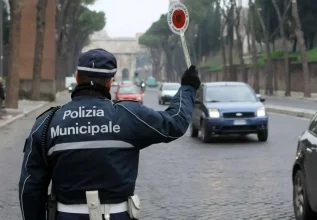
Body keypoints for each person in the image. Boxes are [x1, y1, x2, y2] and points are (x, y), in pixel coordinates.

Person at [18, 48, 200, 220]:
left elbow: (30, 186)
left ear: (76, 77)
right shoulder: (129, 115)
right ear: (111, 82)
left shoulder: (48, 121)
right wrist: (187, 88)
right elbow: (175, 122)